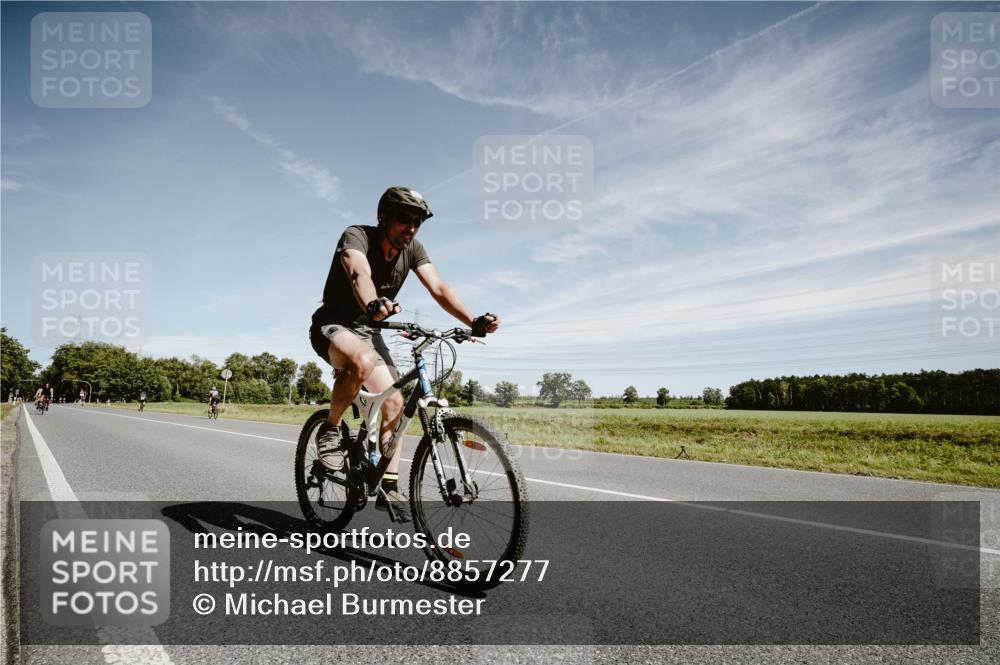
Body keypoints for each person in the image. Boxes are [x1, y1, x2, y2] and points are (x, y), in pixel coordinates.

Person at [308, 186, 500, 521]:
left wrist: (472, 321)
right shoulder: (357, 236)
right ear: (383, 216)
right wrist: (372, 302)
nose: (410, 228)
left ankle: (389, 484)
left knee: (395, 402)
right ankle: (331, 429)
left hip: (369, 332)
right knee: (362, 360)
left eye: (416, 223)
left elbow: (438, 288)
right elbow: (358, 271)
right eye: (403, 220)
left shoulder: (413, 249)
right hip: (333, 324)